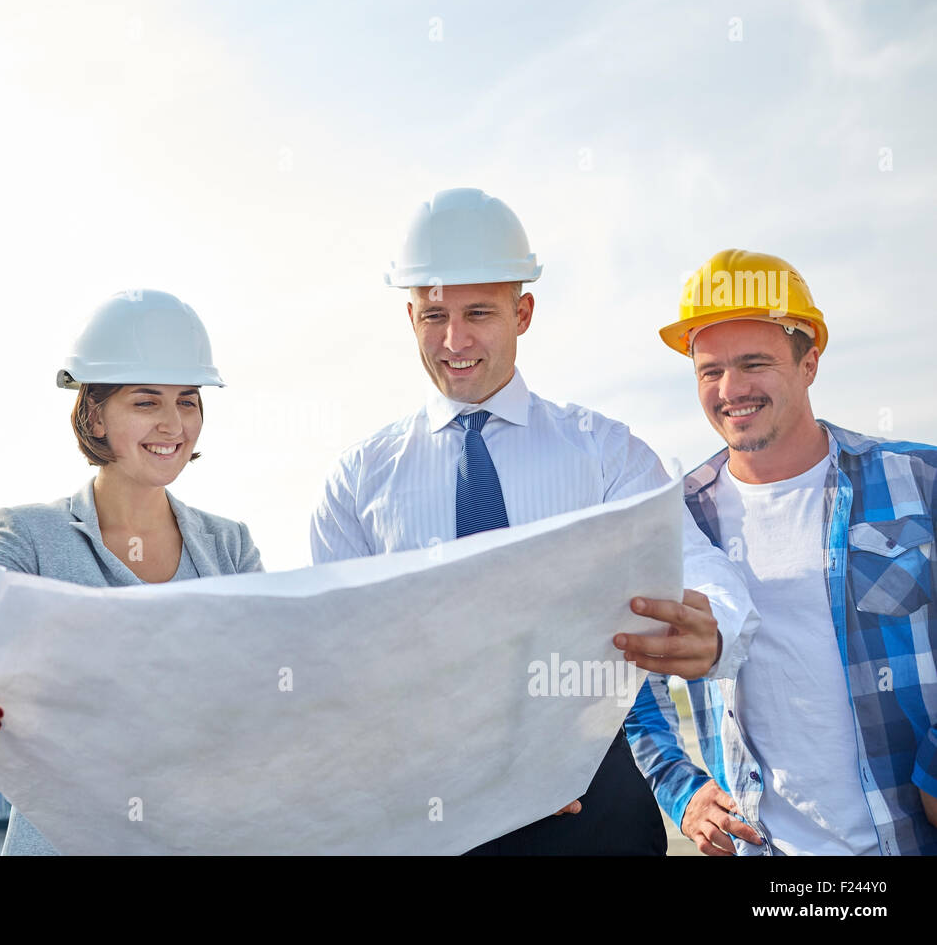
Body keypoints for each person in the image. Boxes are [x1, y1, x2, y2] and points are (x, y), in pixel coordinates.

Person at [310, 188, 760, 855]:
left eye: (479, 313)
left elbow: (693, 561)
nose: (454, 340)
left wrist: (713, 627)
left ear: (522, 312)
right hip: (432, 810)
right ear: (410, 316)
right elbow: (336, 660)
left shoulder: (604, 453)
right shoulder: (356, 482)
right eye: (434, 314)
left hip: (597, 807)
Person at [0, 289, 263, 855]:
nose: (174, 424)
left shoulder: (230, 548)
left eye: (189, 400)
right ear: (94, 414)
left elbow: (268, 691)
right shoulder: (30, 538)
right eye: (146, 402)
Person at [626, 249, 937, 856]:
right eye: (709, 371)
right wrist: (680, 788)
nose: (730, 390)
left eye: (754, 364)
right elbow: (629, 678)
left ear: (809, 362)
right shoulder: (672, 520)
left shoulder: (920, 481)